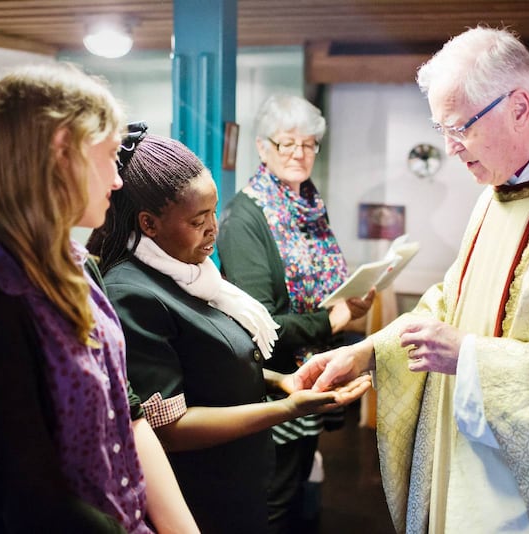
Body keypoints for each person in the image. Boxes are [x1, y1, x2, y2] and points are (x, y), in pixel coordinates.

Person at [295, 26, 529, 533]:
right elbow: (450, 302)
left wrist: (472, 358)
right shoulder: (498, 192)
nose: (451, 147)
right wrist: (365, 352)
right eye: (441, 130)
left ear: (520, 106)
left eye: (460, 127)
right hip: (468, 470)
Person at [0, 64, 198, 533]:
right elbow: (33, 498)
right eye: (109, 156)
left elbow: (128, 415)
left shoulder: (79, 265)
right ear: (61, 152)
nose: (116, 180)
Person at [86, 127, 371, 534]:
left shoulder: (193, 273)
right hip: (198, 495)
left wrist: (282, 381)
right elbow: (170, 428)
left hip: (239, 482)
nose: (213, 229)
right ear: (149, 223)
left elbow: (216, 364)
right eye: (197, 220)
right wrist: (285, 410)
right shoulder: (132, 293)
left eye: (213, 212)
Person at [217, 94, 375, 533]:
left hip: (306, 375)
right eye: (286, 144)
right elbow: (261, 326)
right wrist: (333, 320)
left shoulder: (306, 202)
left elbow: (314, 289)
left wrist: (350, 300)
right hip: (270, 385)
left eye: (308, 144)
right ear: (263, 148)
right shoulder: (245, 217)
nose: (299, 154)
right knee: (270, 502)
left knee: (292, 489)